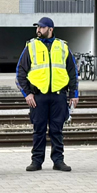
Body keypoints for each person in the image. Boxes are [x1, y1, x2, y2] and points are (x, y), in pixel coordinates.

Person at [15, 16, 79, 172]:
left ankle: (58, 161)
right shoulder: (31, 46)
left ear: (50, 29)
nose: (38, 30)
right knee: (39, 130)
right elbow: (20, 72)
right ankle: (36, 161)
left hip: (58, 95)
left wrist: (74, 94)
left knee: (57, 130)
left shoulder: (62, 46)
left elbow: (72, 72)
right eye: (37, 27)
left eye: (42, 27)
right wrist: (27, 94)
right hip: (38, 96)